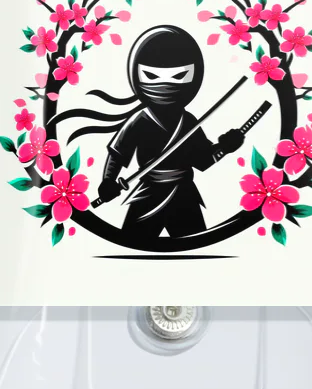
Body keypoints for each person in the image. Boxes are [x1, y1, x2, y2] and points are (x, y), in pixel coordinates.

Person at [93, 26, 243, 240]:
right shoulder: (139, 120)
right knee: (133, 246)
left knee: (195, 247)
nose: (165, 85)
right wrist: (108, 181)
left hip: (184, 195)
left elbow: (203, 161)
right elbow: (118, 154)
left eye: (179, 76)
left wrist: (225, 148)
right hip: (148, 193)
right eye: (151, 76)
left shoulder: (188, 122)